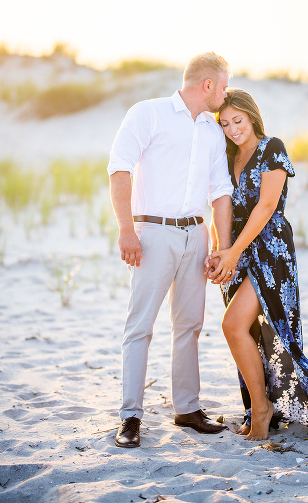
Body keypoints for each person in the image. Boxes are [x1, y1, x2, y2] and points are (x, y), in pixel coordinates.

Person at [205, 88, 308, 441]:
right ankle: (258, 406)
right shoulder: (226, 155)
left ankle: (262, 409)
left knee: (234, 326)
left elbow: (265, 207)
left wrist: (232, 252)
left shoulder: (272, 147)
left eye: (238, 121)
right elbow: (219, 205)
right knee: (255, 334)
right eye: (225, 123)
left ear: (252, 117)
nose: (232, 129)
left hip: (269, 252)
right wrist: (220, 250)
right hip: (237, 253)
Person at [107, 52, 234, 448]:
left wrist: (222, 246)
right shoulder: (149, 113)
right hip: (152, 233)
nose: (226, 93)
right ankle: (130, 416)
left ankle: (187, 408)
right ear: (208, 84)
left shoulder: (213, 132)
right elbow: (120, 167)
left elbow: (221, 191)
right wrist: (126, 229)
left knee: (189, 326)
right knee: (140, 326)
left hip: (195, 235)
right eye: (224, 85)